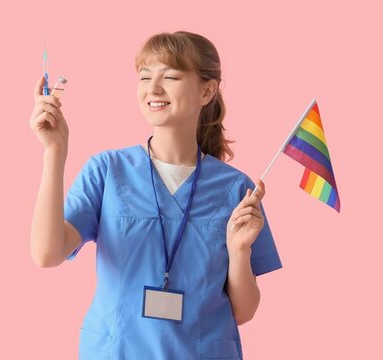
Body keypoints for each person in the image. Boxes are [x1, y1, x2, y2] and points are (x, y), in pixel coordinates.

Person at [28, 31, 282, 359]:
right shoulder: (107, 170)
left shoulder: (236, 189)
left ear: (207, 91)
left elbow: (243, 311)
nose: (153, 88)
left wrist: (239, 250)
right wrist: (54, 151)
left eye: (171, 76)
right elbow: (46, 254)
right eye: (145, 76)